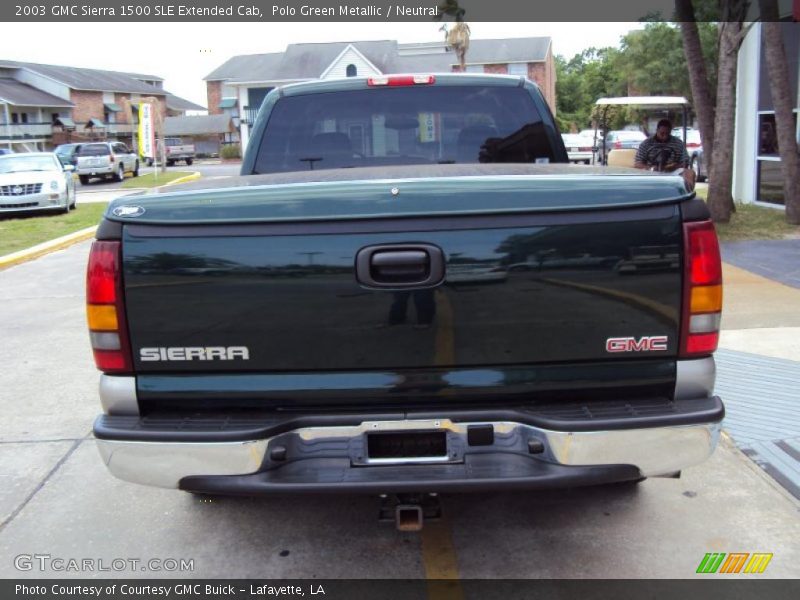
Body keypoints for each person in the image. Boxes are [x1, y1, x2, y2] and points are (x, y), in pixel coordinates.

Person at [634, 119, 696, 188]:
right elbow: (638, 164)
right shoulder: (646, 143)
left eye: (667, 134)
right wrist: (651, 168)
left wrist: (673, 167)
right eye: (662, 133)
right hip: (651, 172)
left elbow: (685, 162)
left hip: (672, 171)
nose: (665, 136)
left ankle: (687, 192)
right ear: (657, 130)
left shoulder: (678, 143)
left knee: (690, 173)